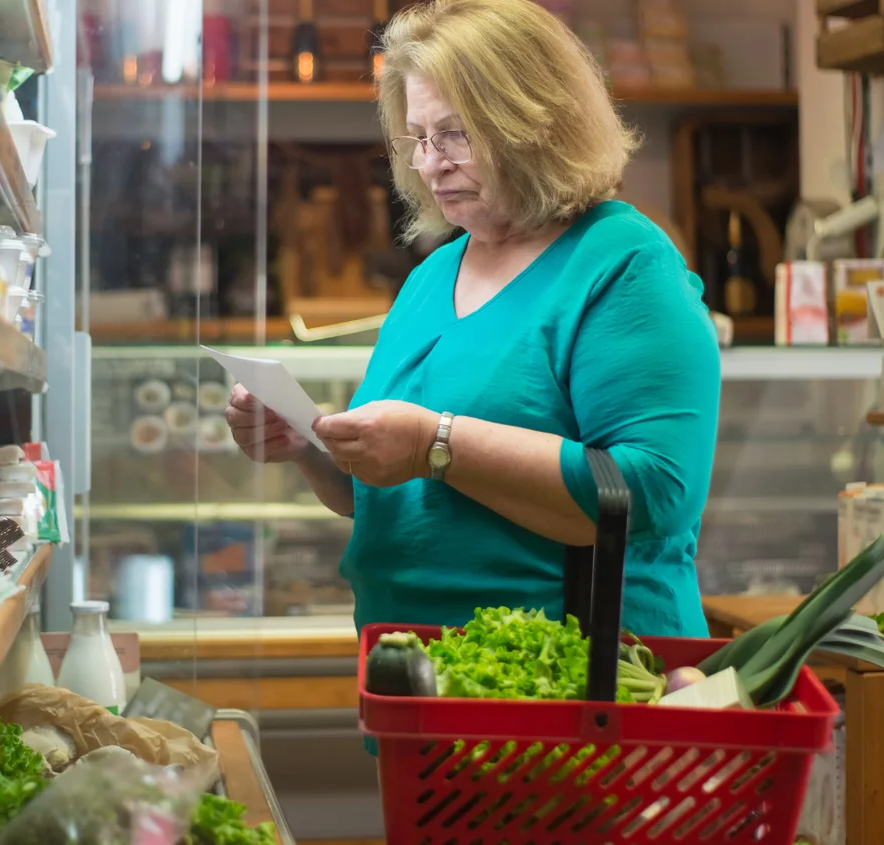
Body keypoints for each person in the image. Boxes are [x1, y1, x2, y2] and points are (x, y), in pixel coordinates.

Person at [225, 0, 721, 642]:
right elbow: (389, 494)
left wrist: (438, 442)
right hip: (419, 684)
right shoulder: (433, 276)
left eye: (456, 133)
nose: (431, 163)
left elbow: (652, 491)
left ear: (537, 121)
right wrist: (310, 450)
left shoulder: (623, 263)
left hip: (575, 686)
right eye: (419, 138)